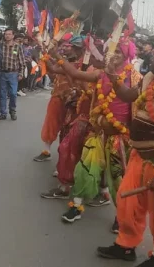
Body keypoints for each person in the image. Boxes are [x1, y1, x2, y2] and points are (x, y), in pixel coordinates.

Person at [95, 40, 154, 267]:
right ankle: (125, 246)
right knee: (126, 202)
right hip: (139, 158)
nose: (151, 59)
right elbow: (128, 96)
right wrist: (113, 76)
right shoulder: (149, 80)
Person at [59, 36, 143, 226]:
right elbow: (75, 73)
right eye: (113, 52)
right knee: (84, 171)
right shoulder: (102, 74)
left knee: (119, 181)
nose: (114, 56)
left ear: (128, 56)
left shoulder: (135, 78)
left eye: (119, 53)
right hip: (97, 134)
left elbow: (138, 107)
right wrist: (57, 55)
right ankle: (76, 206)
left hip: (119, 138)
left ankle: (120, 218)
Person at [39, 36, 90, 200]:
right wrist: (48, 57)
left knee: (71, 146)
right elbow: (56, 71)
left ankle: (70, 184)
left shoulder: (89, 67)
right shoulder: (78, 64)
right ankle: (65, 177)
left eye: (74, 48)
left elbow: (72, 75)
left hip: (84, 114)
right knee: (65, 141)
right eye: (70, 47)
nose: (71, 49)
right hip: (71, 106)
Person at [0, 28, 25, 120]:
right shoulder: (1, 46)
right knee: (2, 94)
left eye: (9, 34)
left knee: (13, 94)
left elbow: (22, 62)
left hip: (13, 74)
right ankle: (3, 113)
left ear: (13, 36)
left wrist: (21, 73)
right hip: (2, 73)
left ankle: (12, 110)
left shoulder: (18, 46)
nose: (7, 36)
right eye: (6, 34)